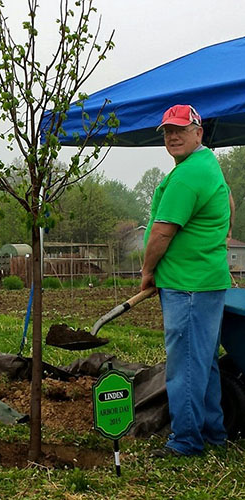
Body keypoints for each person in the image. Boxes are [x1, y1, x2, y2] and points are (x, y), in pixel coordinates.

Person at [142, 104, 233, 457]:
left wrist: (149, 272)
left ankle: (186, 441)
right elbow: (229, 201)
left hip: (188, 285)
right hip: (204, 281)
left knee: (186, 366)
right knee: (204, 362)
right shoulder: (207, 165)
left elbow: (162, 233)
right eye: (167, 131)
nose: (172, 136)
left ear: (199, 131)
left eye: (180, 129)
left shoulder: (187, 175)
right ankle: (213, 432)